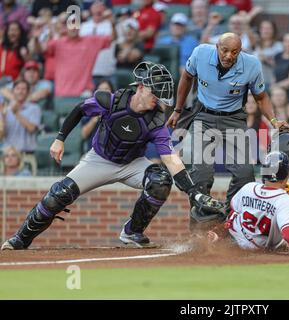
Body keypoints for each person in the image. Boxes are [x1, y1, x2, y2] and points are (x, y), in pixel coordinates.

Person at [1, 61, 224, 250]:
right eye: (154, 92)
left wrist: (193, 192)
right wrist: (60, 139)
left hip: (132, 163)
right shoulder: (111, 101)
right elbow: (79, 109)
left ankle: (132, 232)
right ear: (140, 87)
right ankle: (21, 240)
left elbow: (171, 159)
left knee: (160, 180)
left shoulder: (156, 121)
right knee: (58, 195)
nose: (157, 99)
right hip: (98, 159)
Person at [167, 33, 289, 226]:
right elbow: (186, 78)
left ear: (240, 51)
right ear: (217, 47)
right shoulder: (200, 53)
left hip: (234, 119)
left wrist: (273, 120)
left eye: (235, 52)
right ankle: (200, 229)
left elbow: (261, 97)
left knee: (245, 174)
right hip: (204, 117)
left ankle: (228, 221)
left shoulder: (251, 65)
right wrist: (177, 110)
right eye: (225, 50)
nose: (229, 56)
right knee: (201, 175)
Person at [0, 80, 41, 154]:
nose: (20, 91)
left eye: (23, 89)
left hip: (27, 153)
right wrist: (2, 119)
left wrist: (16, 113)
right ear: (13, 91)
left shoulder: (34, 108)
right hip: (7, 155)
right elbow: (1, 136)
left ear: (28, 92)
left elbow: (31, 129)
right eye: (18, 88)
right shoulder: (5, 110)